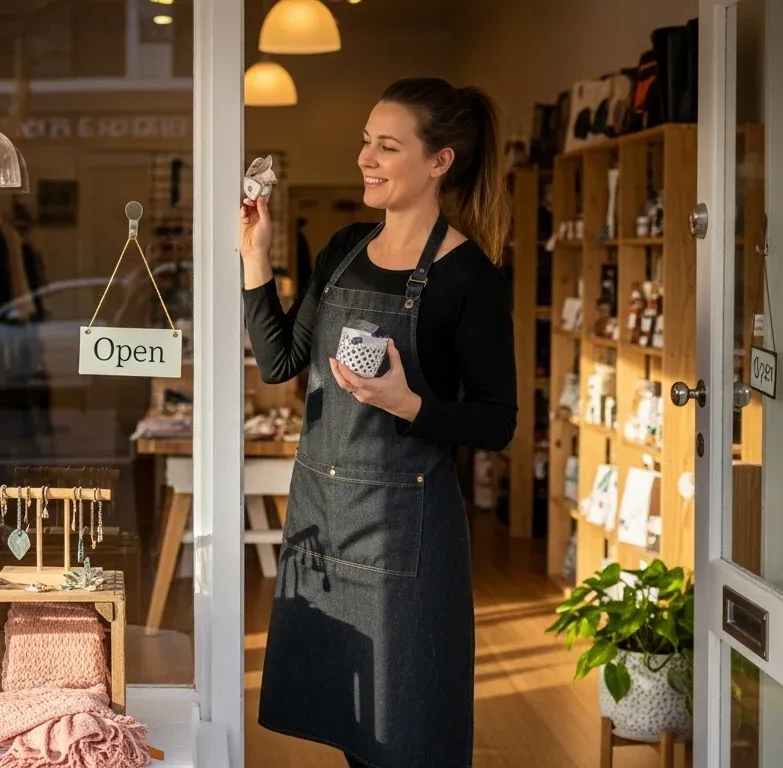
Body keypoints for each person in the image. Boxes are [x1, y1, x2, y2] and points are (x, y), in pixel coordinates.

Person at [240, 77, 517, 767]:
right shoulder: (342, 250)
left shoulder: (469, 277)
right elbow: (279, 362)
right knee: (351, 722)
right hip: (324, 518)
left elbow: (496, 422)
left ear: (439, 162)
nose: (366, 157)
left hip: (403, 538)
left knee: (405, 733)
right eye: (366, 141)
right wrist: (256, 258)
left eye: (387, 146)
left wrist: (406, 403)